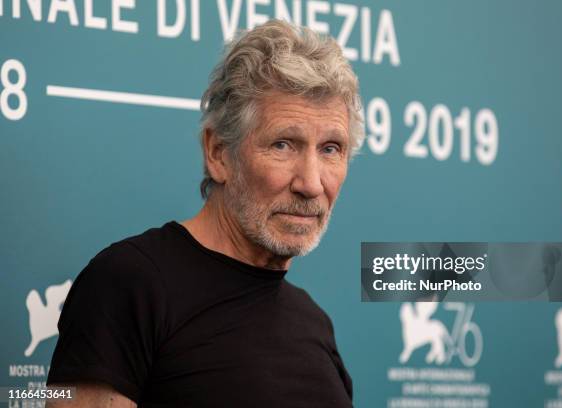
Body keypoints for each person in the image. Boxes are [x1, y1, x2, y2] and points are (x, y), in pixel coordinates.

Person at [46, 19, 364, 408]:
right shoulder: (131, 284)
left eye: (331, 148)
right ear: (218, 154)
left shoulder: (314, 322)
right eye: (283, 144)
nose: (311, 183)